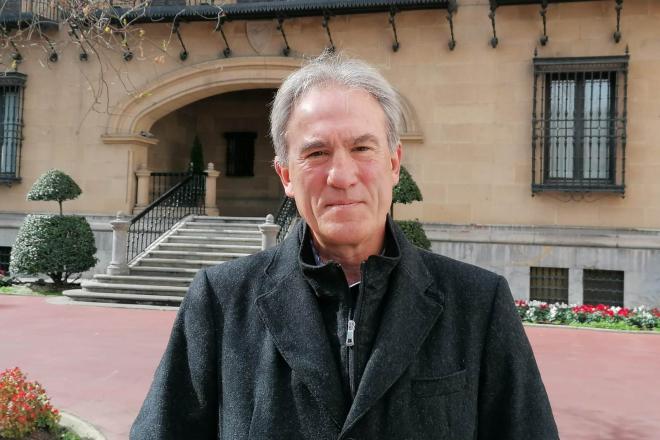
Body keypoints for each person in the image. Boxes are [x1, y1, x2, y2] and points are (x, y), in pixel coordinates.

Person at [131, 53, 559, 439]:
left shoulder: (477, 304)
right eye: (316, 153)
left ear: (393, 164)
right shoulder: (220, 303)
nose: (341, 175)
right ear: (286, 176)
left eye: (362, 148)